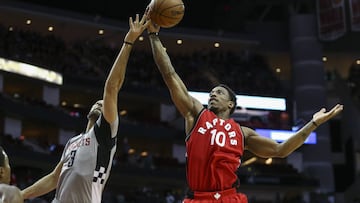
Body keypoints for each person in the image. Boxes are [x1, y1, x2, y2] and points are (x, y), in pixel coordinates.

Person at [147, 22, 344, 202]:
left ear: (231, 104)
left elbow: (281, 150)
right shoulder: (197, 115)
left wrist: (314, 123)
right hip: (199, 198)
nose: (212, 95)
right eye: (211, 93)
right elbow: (170, 74)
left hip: (230, 197)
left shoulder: (242, 133)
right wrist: (154, 36)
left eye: (219, 92)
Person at [21, 13, 150, 203]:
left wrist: (128, 42)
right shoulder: (73, 141)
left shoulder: (105, 134)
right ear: (88, 110)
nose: (100, 103)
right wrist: (21, 195)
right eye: (96, 102)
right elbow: (54, 178)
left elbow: (111, 87)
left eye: (103, 103)